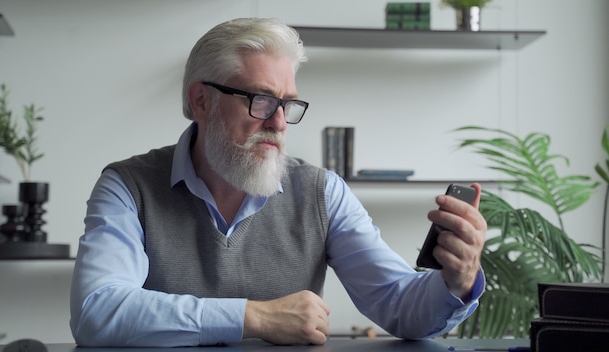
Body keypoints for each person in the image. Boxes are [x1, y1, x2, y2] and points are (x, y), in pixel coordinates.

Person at [69, 17, 487, 347]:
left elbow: (399, 305)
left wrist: (457, 281)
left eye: (288, 104)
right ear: (201, 100)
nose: (279, 123)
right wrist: (255, 318)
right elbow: (97, 311)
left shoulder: (323, 193)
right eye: (261, 100)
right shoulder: (127, 187)